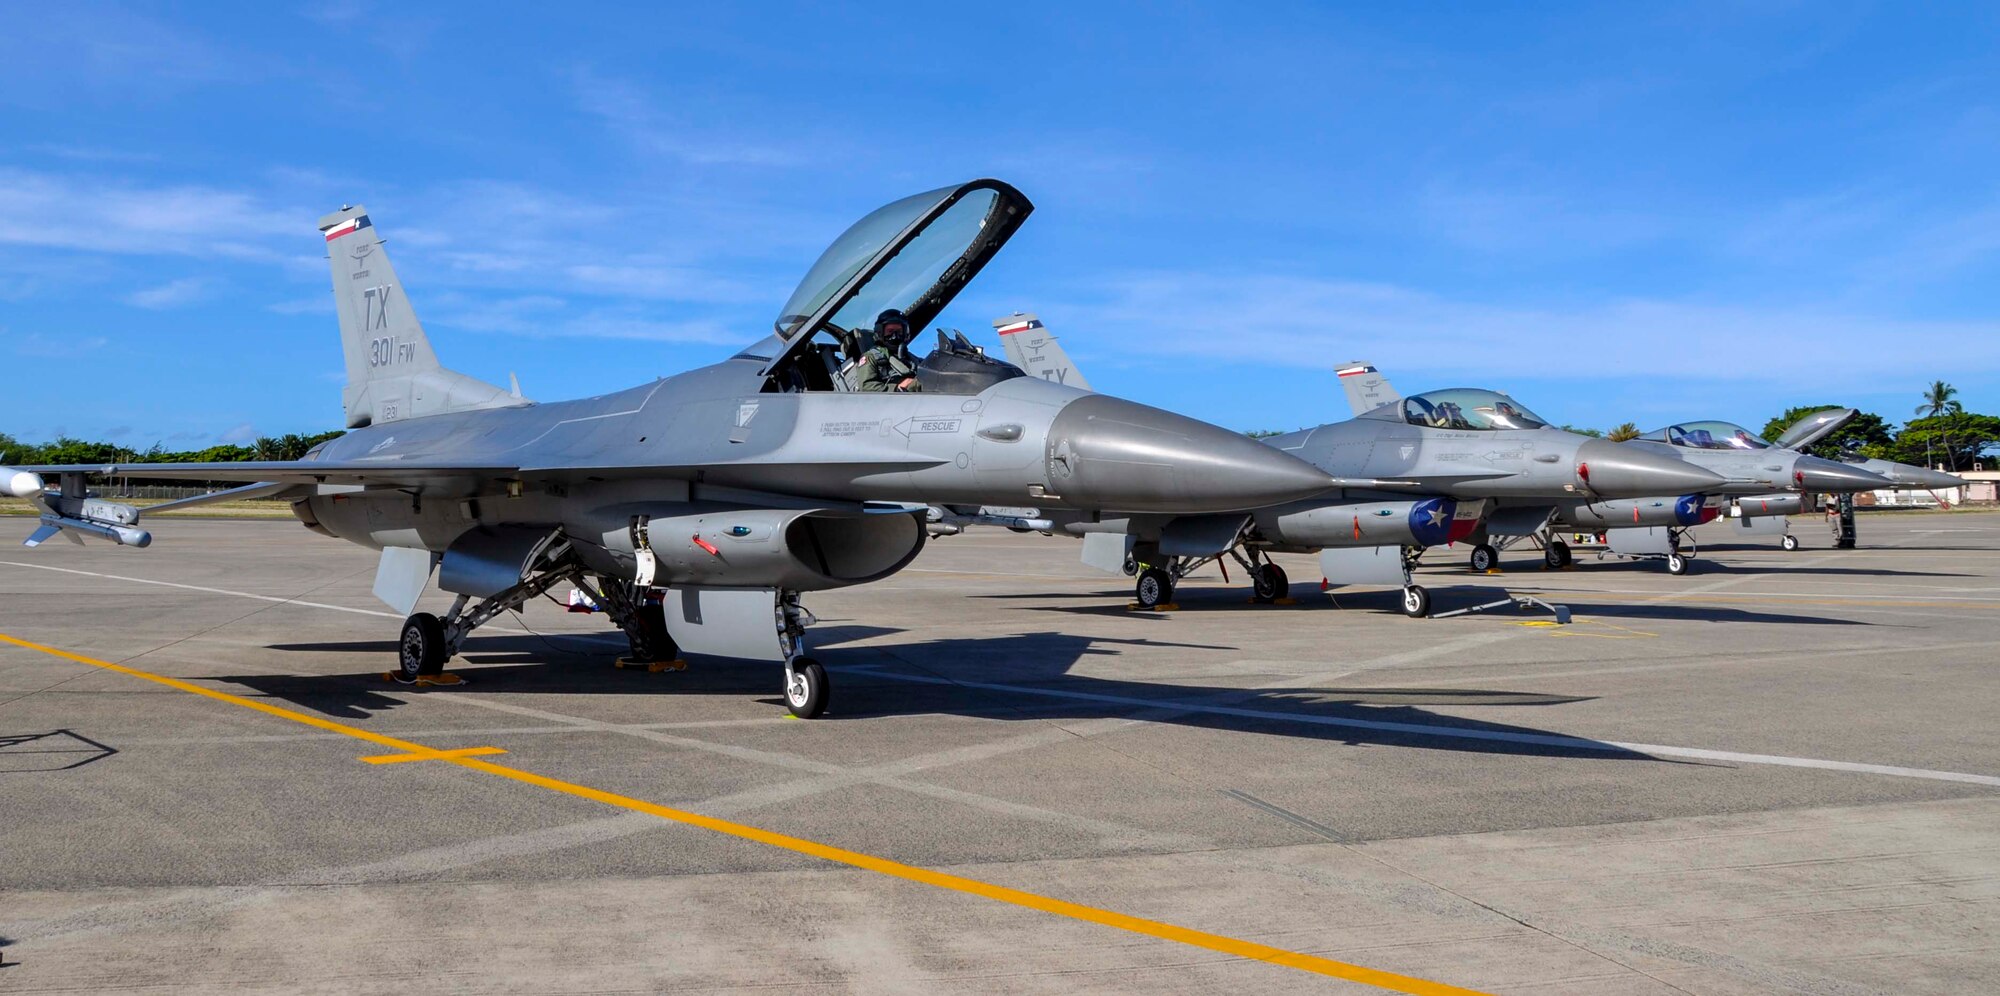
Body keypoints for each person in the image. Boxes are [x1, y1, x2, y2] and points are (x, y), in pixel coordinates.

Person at [856, 309, 921, 392]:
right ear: (880, 332)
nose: (895, 336)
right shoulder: (872, 357)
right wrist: (896, 389)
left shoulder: (913, 360)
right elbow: (867, 387)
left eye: (899, 331)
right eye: (890, 331)